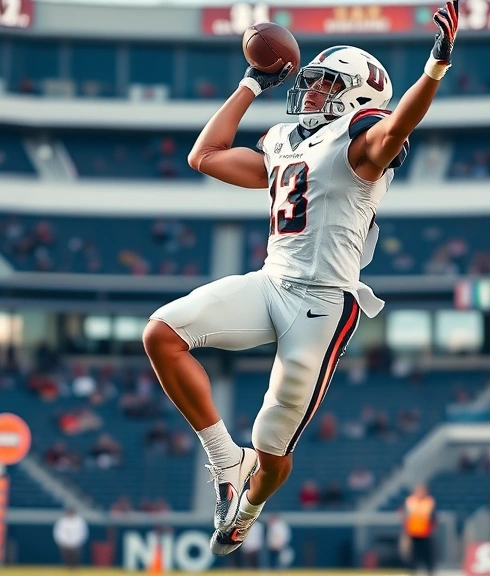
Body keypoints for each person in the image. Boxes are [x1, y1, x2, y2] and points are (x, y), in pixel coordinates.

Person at [141, 1, 462, 556]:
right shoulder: (285, 139)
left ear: (358, 97)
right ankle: (224, 460)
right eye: (310, 82)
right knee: (162, 334)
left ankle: (249, 509)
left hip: (322, 305)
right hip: (271, 282)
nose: (310, 92)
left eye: (325, 84)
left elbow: (400, 124)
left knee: (272, 447)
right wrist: (251, 83)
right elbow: (206, 155)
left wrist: (435, 65)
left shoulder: (363, 141)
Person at [403, 483, 436, 575]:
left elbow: (433, 518)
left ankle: (430, 572)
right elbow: (406, 518)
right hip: (413, 534)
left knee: (428, 557)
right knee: (413, 557)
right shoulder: (410, 502)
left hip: (426, 534)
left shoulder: (429, 502)